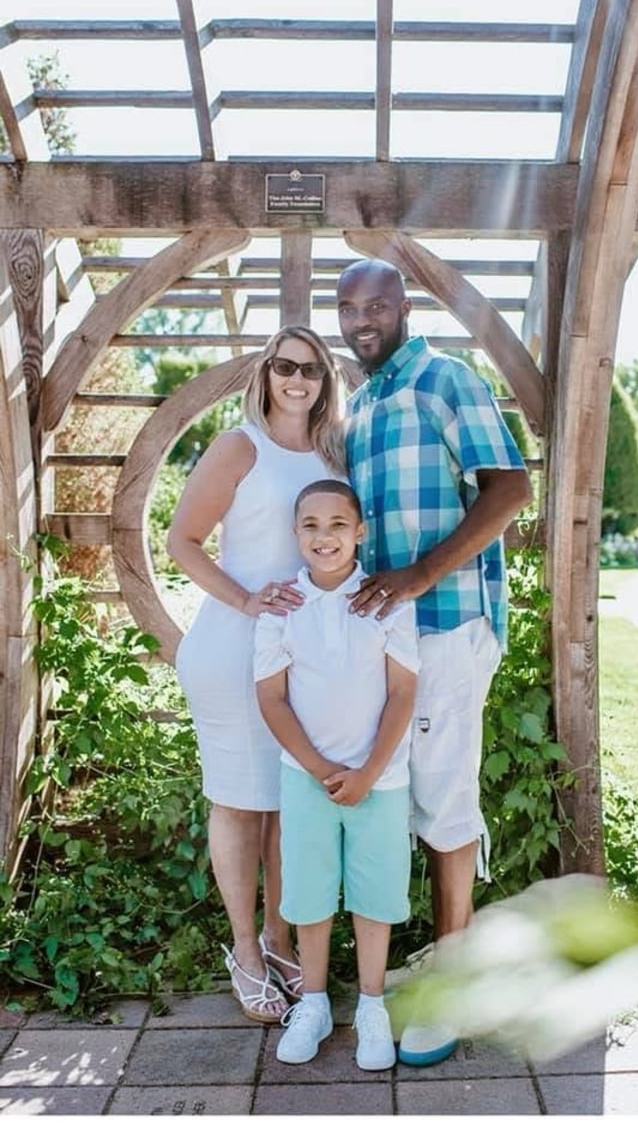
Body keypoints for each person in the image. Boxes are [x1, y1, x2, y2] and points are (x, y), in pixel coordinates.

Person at [336, 257, 534, 1066]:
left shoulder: (444, 379)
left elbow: (510, 487)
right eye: (348, 307)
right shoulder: (357, 404)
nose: (362, 319)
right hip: (389, 637)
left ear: (404, 305)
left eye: (377, 303)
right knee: (405, 790)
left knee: (445, 792)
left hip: (448, 623)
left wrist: (419, 574)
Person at [167, 325, 346, 1023]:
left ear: (325, 379)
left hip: (299, 656)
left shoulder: (331, 451)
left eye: (311, 368)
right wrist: (245, 598)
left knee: (284, 804)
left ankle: (278, 937)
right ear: (266, 372)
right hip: (234, 648)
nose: (297, 379)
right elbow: (180, 538)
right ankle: (243, 948)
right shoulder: (242, 444)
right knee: (240, 802)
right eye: (284, 365)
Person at [255, 479, 419, 1070]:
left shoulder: (388, 601)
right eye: (311, 525)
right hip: (308, 779)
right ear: (296, 533)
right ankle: (316, 1002)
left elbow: (403, 691)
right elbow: (272, 698)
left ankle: (372, 1005)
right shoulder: (282, 608)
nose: (325, 537)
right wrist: (323, 769)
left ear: (360, 531)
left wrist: (369, 771)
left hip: (381, 778)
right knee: (310, 892)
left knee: (375, 892)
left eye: (337, 524)